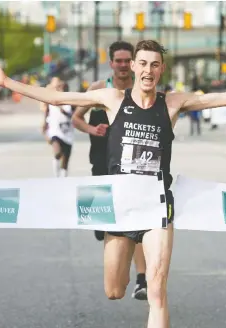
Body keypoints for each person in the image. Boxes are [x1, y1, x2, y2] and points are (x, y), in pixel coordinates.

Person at [0, 37, 226, 328]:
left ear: (161, 70)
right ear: (134, 67)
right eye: (142, 63)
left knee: (157, 289)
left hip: (156, 207)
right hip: (119, 206)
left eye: (154, 65)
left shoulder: (173, 103)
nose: (147, 70)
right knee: (114, 289)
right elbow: (57, 98)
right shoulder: (113, 99)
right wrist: (6, 81)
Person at [72, 40, 148, 301]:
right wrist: (93, 129)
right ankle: (119, 266)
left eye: (129, 61)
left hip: (133, 166)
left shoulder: (141, 90)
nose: (124, 65)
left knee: (136, 223)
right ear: (111, 63)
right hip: (102, 163)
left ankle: (142, 279)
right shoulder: (98, 89)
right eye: (120, 60)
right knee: (106, 225)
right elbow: (76, 118)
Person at [41, 77, 74, 177]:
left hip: (67, 132)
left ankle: (63, 180)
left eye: (63, 87)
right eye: (59, 87)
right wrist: (44, 126)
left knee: (65, 162)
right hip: (55, 131)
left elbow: (74, 115)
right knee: (57, 153)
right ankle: (56, 177)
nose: (61, 89)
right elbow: (46, 113)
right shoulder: (51, 101)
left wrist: (63, 110)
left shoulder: (71, 101)